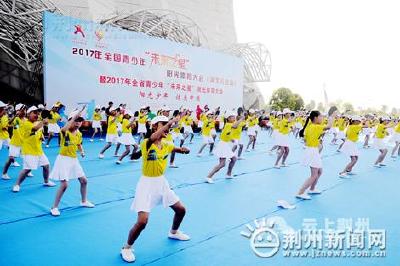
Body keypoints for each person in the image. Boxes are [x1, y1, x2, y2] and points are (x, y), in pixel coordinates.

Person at [120, 115, 190, 263]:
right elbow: (154, 137)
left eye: (167, 124)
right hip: (146, 184)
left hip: (161, 183)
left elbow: (175, 148)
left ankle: (174, 232)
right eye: (162, 124)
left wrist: (183, 150)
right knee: (142, 222)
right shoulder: (147, 143)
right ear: (154, 127)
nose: (167, 126)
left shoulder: (167, 144)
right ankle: (126, 248)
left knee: (181, 209)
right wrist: (171, 121)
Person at [49, 107, 95, 216]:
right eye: (76, 120)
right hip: (63, 159)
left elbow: (79, 144)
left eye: (80, 120)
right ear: (70, 121)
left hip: (74, 160)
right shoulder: (65, 132)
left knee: (84, 181)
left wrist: (82, 152)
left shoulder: (79, 134)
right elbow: (64, 129)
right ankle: (54, 207)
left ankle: (83, 201)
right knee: (64, 185)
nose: (79, 122)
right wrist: (75, 115)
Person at [12, 106, 56, 192]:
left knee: (46, 166)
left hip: (38, 150)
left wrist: (42, 137)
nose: (37, 114)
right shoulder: (25, 123)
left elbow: (39, 132)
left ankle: (46, 181)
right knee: (27, 169)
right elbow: (35, 129)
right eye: (34, 113)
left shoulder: (38, 122)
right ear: (28, 114)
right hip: (29, 151)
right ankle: (17, 185)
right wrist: (43, 121)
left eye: (37, 113)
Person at [296, 110, 333, 200]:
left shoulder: (310, 126)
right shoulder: (315, 127)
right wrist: (332, 116)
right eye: (321, 116)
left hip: (313, 150)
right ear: (316, 118)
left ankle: (312, 189)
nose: (322, 118)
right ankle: (300, 192)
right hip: (312, 151)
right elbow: (329, 126)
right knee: (314, 175)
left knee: (319, 172)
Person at [205, 111, 245, 183]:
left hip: (225, 144)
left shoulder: (229, 125)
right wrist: (241, 119)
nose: (234, 118)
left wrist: (231, 139)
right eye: (232, 117)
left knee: (233, 159)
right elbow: (235, 126)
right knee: (222, 164)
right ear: (228, 118)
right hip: (223, 145)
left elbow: (226, 134)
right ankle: (208, 176)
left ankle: (228, 174)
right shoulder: (229, 124)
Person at [2, 104, 26, 180]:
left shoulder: (26, 120)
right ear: (18, 111)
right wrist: (15, 116)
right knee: (11, 158)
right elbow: (9, 123)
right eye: (22, 110)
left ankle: (27, 171)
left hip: (24, 143)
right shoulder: (16, 119)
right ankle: (4, 174)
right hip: (15, 143)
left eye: (25, 110)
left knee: (27, 158)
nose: (24, 111)